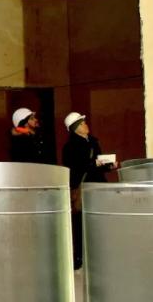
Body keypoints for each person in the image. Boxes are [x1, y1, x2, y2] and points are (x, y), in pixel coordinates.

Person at [62, 111, 117, 270]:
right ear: (75, 128)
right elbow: (75, 168)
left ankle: (99, 255)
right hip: (83, 188)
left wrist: (109, 165)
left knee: (99, 222)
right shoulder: (70, 147)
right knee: (80, 224)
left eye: (84, 122)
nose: (86, 125)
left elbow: (99, 161)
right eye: (82, 123)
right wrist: (94, 164)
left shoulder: (93, 142)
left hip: (98, 186)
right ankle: (79, 256)